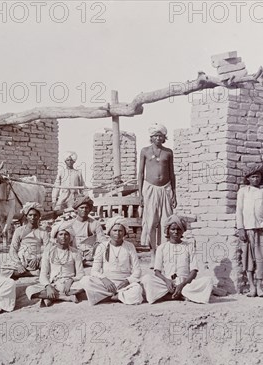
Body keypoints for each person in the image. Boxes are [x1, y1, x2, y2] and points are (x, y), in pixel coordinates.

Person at [141, 215, 215, 304]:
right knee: (146, 279)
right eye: (173, 229)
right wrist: (167, 281)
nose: (176, 232)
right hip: (167, 284)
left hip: (185, 284)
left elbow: (194, 271)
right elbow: (157, 272)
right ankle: (181, 295)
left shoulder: (189, 246)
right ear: (168, 231)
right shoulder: (162, 248)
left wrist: (182, 285)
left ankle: (169, 296)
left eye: (179, 229)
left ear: (182, 231)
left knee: (208, 280)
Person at [79, 216, 144, 305]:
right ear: (109, 232)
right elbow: (94, 271)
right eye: (115, 230)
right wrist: (105, 280)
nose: (117, 233)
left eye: (120, 231)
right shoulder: (102, 247)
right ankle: (119, 297)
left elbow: (137, 270)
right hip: (106, 284)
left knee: (137, 290)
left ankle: (107, 297)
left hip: (124, 284)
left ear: (125, 232)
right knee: (85, 281)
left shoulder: (130, 246)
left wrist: (128, 281)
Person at [236, 163, 263, 297]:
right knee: (248, 259)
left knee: (261, 259)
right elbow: (239, 211)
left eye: (258, 177)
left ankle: (260, 287)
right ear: (248, 178)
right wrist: (241, 228)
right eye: (253, 177)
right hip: (247, 230)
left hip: (262, 230)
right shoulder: (243, 192)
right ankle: (251, 287)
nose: (256, 179)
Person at [138, 123, 177, 265]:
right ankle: (153, 252)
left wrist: (174, 193)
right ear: (151, 137)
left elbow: (172, 174)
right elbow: (141, 173)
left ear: (164, 137)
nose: (158, 138)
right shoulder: (145, 151)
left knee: (165, 222)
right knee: (151, 222)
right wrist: (140, 194)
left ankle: (163, 254)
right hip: (150, 188)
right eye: (155, 136)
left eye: (161, 136)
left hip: (165, 188)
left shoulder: (168, 152)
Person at [25, 221, 85, 307]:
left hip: (70, 285)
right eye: (60, 234)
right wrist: (48, 286)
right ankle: (63, 297)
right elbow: (43, 274)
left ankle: (50, 297)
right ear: (56, 236)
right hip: (54, 284)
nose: (63, 237)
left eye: (66, 234)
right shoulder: (48, 252)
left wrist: (71, 280)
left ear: (70, 237)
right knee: (30, 290)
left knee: (85, 285)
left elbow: (81, 274)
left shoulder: (75, 253)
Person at [52, 195, 106, 267]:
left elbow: (102, 240)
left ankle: (85, 262)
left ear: (89, 209)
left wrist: (97, 246)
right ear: (76, 210)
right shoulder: (70, 223)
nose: (84, 210)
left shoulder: (95, 224)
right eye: (82, 208)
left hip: (90, 254)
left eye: (86, 208)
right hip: (73, 252)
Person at [4, 202, 50, 279]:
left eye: (35, 215)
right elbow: (13, 249)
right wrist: (18, 264)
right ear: (26, 216)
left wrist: (38, 257)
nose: (33, 217)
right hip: (21, 259)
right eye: (30, 215)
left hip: (36, 260)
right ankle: (31, 273)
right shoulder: (19, 230)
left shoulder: (43, 232)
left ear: (39, 216)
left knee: (49, 265)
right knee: (3, 271)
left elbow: (48, 249)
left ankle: (30, 272)